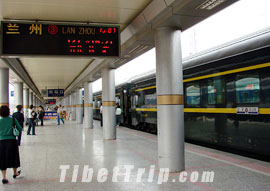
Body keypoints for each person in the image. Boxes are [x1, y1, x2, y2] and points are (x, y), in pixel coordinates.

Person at [0, 105, 22, 184]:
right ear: (8, 112)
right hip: (12, 141)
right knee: (14, 156)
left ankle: (4, 177)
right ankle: (15, 173)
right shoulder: (12, 119)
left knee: (2, 158)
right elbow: (20, 128)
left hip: (1, 142)